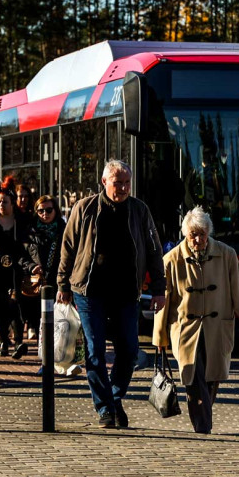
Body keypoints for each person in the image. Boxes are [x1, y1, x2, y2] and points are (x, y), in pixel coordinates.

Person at [57, 159, 166, 429]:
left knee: (129, 351)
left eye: (127, 182)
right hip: (89, 291)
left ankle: (115, 398)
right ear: (104, 182)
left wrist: (159, 289)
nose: (124, 188)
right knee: (94, 352)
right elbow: (68, 246)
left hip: (126, 293)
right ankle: (105, 408)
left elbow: (154, 250)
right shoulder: (86, 208)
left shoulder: (139, 210)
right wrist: (62, 284)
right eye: (118, 183)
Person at [154, 206, 239, 434]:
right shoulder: (171, 260)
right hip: (185, 330)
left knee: (212, 378)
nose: (198, 239)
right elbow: (164, 302)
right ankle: (203, 426)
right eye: (193, 234)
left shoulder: (227, 254)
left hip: (217, 327)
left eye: (202, 234)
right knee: (193, 377)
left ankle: (202, 417)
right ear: (186, 234)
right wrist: (160, 337)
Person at [0, 188, 32, 358]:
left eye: (5, 201)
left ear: (12, 203)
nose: (1, 205)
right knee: (0, 308)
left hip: (16, 270)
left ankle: (18, 342)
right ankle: (3, 342)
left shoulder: (21, 221)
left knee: (16, 305)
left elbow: (27, 243)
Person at [24, 194, 66, 338]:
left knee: (55, 318)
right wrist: (30, 266)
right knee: (37, 315)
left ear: (55, 210)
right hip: (36, 280)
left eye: (48, 210)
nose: (44, 214)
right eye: (40, 211)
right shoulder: (30, 230)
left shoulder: (63, 229)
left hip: (57, 278)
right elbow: (22, 254)